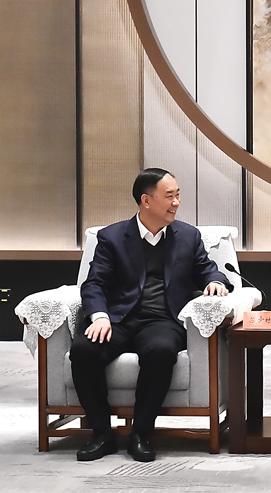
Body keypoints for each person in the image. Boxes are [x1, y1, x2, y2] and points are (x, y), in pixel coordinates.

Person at [70, 168, 233, 462]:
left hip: (163, 320)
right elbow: (94, 284)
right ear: (146, 200)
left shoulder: (188, 236)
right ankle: (101, 434)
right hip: (118, 318)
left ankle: (141, 434)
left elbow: (207, 269)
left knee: (161, 350)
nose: (176, 202)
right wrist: (99, 316)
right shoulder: (112, 237)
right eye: (169, 196)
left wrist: (215, 281)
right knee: (83, 349)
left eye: (178, 195)